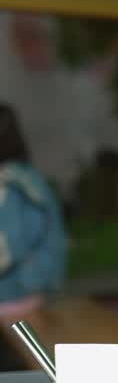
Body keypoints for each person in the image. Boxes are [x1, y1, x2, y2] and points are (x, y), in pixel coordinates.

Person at [0, 102, 67, 317]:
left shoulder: (12, 184)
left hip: (15, 295)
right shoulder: (25, 178)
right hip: (24, 291)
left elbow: (11, 245)